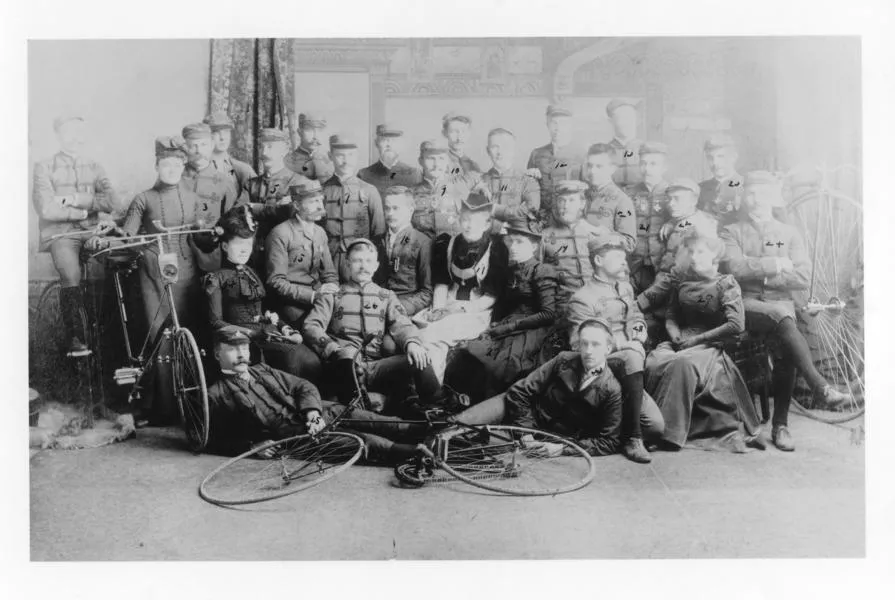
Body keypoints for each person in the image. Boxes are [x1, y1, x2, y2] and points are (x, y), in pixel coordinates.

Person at [720, 170, 851, 451]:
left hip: (781, 307)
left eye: (763, 194)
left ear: (772, 197)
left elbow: (803, 276)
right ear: (744, 198)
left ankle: (780, 426)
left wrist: (763, 273)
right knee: (784, 319)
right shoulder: (731, 231)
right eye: (751, 194)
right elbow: (735, 268)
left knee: (786, 336)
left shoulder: (789, 233)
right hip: (748, 304)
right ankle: (820, 386)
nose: (757, 200)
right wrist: (778, 263)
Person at [206, 326, 435, 464]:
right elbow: (209, 440)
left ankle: (442, 434)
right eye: (232, 349)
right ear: (217, 354)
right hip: (296, 437)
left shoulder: (263, 370)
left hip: (320, 412)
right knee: (360, 442)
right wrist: (251, 447)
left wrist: (313, 413)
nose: (241, 354)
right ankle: (414, 453)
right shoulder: (215, 394)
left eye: (244, 348)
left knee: (380, 422)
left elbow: (303, 386)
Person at [644, 233, 764, 452]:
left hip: (710, 344)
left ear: (715, 257)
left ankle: (668, 434)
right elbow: (671, 315)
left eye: (700, 252)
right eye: (691, 252)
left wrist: (697, 340)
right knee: (655, 360)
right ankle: (649, 427)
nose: (693, 257)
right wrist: (675, 335)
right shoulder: (683, 282)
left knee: (682, 365)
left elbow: (736, 325)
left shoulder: (725, 284)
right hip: (682, 340)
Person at [443, 319, 623, 457]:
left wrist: (562, 449)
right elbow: (520, 391)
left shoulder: (611, 389)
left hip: (546, 437)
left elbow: (608, 441)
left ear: (608, 348)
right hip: (516, 409)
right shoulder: (564, 360)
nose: (588, 351)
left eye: (596, 344)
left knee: (467, 448)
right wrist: (525, 431)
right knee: (455, 425)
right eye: (584, 343)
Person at [302, 239, 442, 413]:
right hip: (345, 367)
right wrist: (332, 347)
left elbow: (402, 323)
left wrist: (412, 343)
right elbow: (311, 325)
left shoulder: (386, 295)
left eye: (368, 261)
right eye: (357, 261)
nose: (363, 266)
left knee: (420, 357)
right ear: (347, 264)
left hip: (377, 367)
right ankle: (357, 410)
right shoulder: (333, 295)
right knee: (348, 355)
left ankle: (438, 408)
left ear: (376, 266)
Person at [119, 135, 204, 422]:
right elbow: (128, 233)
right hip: (153, 271)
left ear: (183, 165)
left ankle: (192, 400)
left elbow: (202, 235)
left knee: (188, 332)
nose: (171, 170)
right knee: (160, 335)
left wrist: (211, 232)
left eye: (177, 164)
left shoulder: (193, 195)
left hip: (188, 270)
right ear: (157, 166)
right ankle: (162, 407)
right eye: (165, 164)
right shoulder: (143, 198)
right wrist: (131, 238)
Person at [566, 231, 666, 464]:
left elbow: (635, 315)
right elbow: (579, 344)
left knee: (657, 428)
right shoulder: (583, 298)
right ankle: (632, 438)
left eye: (624, 256)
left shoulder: (625, 288)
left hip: (629, 367)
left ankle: (617, 428)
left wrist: (639, 332)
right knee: (631, 357)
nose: (624, 262)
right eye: (617, 257)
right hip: (602, 366)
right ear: (598, 261)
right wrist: (626, 345)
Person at [31, 114, 120, 356]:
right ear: (58, 135)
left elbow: (112, 200)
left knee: (122, 260)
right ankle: (76, 338)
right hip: (60, 235)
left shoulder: (94, 165)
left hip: (93, 231)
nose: (74, 138)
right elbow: (47, 208)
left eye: (78, 132)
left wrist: (75, 199)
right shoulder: (44, 166)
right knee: (71, 274)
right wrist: (85, 211)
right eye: (68, 132)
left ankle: (116, 334)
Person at [202, 205, 322, 381]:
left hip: (266, 331)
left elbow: (265, 311)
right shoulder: (216, 278)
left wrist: (284, 327)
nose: (244, 250)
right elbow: (216, 322)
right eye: (238, 244)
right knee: (291, 361)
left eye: (248, 245)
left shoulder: (253, 273)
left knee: (309, 360)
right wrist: (251, 334)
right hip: (238, 339)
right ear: (225, 246)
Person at [450, 217, 557, 401]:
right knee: (468, 351)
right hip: (509, 324)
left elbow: (548, 313)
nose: (513, 246)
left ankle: (490, 410)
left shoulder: (542, 271)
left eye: (520, 242)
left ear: (533, 246)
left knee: (499, 365)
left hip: (533, 329)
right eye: (511, 241)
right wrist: (495, 326)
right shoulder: (510, 270)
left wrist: (510, 327)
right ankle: (462, 401)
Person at [413, 193, 506, 382]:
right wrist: (439, 309)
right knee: (423, 330)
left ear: (487, 224)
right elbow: (441, 283)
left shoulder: (495, 249)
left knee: (433, 336)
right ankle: (428, 389)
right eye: (464, 220)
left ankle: (432, 389)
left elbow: (492, 296)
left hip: (476, 310)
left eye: (474, 221)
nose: (468, 225)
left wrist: (461, 308)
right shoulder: (447, 243)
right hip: (446, 303)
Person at [637, 178, 718, 341]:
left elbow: (674, 276)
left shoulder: (699, 230)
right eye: (669, 199)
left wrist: (642, 301)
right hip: (668, 293)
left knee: (638, 324)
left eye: (677, 199)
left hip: (684, 301)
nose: (671, 204)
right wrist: (672, 222)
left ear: (694, 200)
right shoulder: (685, 220)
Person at [265, 180, 339, 330]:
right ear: (297, 205)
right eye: (313, 202)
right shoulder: (281, 233)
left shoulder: (320, 233)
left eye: (320, 200)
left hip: (319, 298)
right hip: (292, 302)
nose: (320, 206)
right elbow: (276, 281)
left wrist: (332, 288)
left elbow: (329, 273)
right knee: (310, 330)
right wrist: (312, 295)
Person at [180, 122, 244, 273]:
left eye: (203, 145)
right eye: (193, 146)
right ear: (185, 148)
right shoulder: (175, 179)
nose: (199, 151)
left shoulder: (224, 181)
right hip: (180, 253)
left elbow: (231, 221)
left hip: (211, 255)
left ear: (211, 146)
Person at [321, 133, 386, 281]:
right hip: (328, 262)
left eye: (350, 155)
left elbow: (378, 233)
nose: (346, 161)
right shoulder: (322, 191)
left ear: (357, 156)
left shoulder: (369, 191)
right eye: (340, 155)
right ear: (330, 156)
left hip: (360, 264)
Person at [243, 128, 309, 269]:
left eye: (271, 147)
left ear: (284, 150)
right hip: (255, 255)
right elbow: (240, 212)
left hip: (286, 256)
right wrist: (278, 207)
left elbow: (292, 214)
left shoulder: (298, 182)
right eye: (262, 147)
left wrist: (255, 208)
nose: (265, 153)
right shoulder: (251, 184)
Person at [540, 180, 610, 306]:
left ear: (582, 204)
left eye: (572, 200)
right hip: (563, 306)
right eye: (562, 200)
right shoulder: (544, 237)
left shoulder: (595, 233)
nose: (566, 206)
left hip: (598, 301)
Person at [373, 186, 433, 317]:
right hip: (376, 306)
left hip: (405, 309)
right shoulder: (376, 241)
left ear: (410, 210)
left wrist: (403, 308)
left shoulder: (423, 242)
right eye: (387, 208)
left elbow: (427, 293)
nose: (390, 213)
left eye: (396, 208)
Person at [624, 141, 670, 295]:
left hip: (660, 264)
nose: (647, 169)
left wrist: (672, 222)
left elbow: (687, 216)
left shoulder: (672, 193)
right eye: (643, 163)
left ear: (664, 168)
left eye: (653, 164)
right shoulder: (629, 194)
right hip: (634, 265)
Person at [526, 104, 586, 221]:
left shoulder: (582, 154)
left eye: (563, 124)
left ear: (571, 126)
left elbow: (587, 193)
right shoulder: (537, 154)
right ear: (547, 125)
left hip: (571, 218)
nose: (558, 128)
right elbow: (528, 189)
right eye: (554, 123)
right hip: (543, 217)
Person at [478, 128, 541, 235]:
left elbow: (531, 212)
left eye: (505, 147)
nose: (500, 152)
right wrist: (496, 226)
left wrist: (496, 210)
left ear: (513, 150)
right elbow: (473, 215)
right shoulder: (479, 182)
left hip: (518, 241)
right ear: (488, 151)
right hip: (486, 242)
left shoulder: (528, 181)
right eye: (495, 147)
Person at [582, 143, 637, 251]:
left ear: (612, 168)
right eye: (590, 165)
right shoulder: (582, 194)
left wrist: (601, 233)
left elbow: (629, 243)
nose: (593, 171)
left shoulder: (622, 200)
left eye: (599, 166)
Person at [358, 123, 422, 199]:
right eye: (384, 140)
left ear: (401, 144)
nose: (389, 145)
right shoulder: (364, 175)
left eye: (394, 140)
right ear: (376, 143)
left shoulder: (414, 175)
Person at [698, 134, 744, 228]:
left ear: (734, 157)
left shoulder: (746, 186)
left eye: (721, 156)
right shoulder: (700, 188)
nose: (715, 163)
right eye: (710, 158)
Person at [203, 111, 257, 192]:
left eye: (226, 132)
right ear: (207, 136)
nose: (222, 137)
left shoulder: (243, 170)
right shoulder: (199, 167)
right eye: (216, 132)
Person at [284, 111, 335, 182]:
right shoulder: (288, 161)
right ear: (299, 132)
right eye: (309, 130)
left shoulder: (332, 159)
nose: (315, 136)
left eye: (320, 130)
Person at [605, 98, 643, 189]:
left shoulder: (645, 149)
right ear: (611, 122)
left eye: (630, 118)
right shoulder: (604, 152)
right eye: (620, 118)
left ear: (637, 120)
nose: (626, 123)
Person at [442, 112, 482, 179]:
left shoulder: (474, 166)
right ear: (445, 133)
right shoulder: (440, 163)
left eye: (463, 131)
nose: (459, 138)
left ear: (469, 134)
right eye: (454, 131)